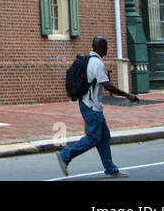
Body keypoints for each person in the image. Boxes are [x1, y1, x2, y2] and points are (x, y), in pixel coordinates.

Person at [57, 35, 139, 178]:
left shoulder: (88, 60)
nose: (107, 47)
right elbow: (107, 86)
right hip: (91, 106)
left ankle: (111, 169)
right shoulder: (97, 63)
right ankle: (65, 155)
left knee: (104, 137)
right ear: (101, 48)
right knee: (93, 137)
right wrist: (127, 95)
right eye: (105, 45)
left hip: (88, 104)